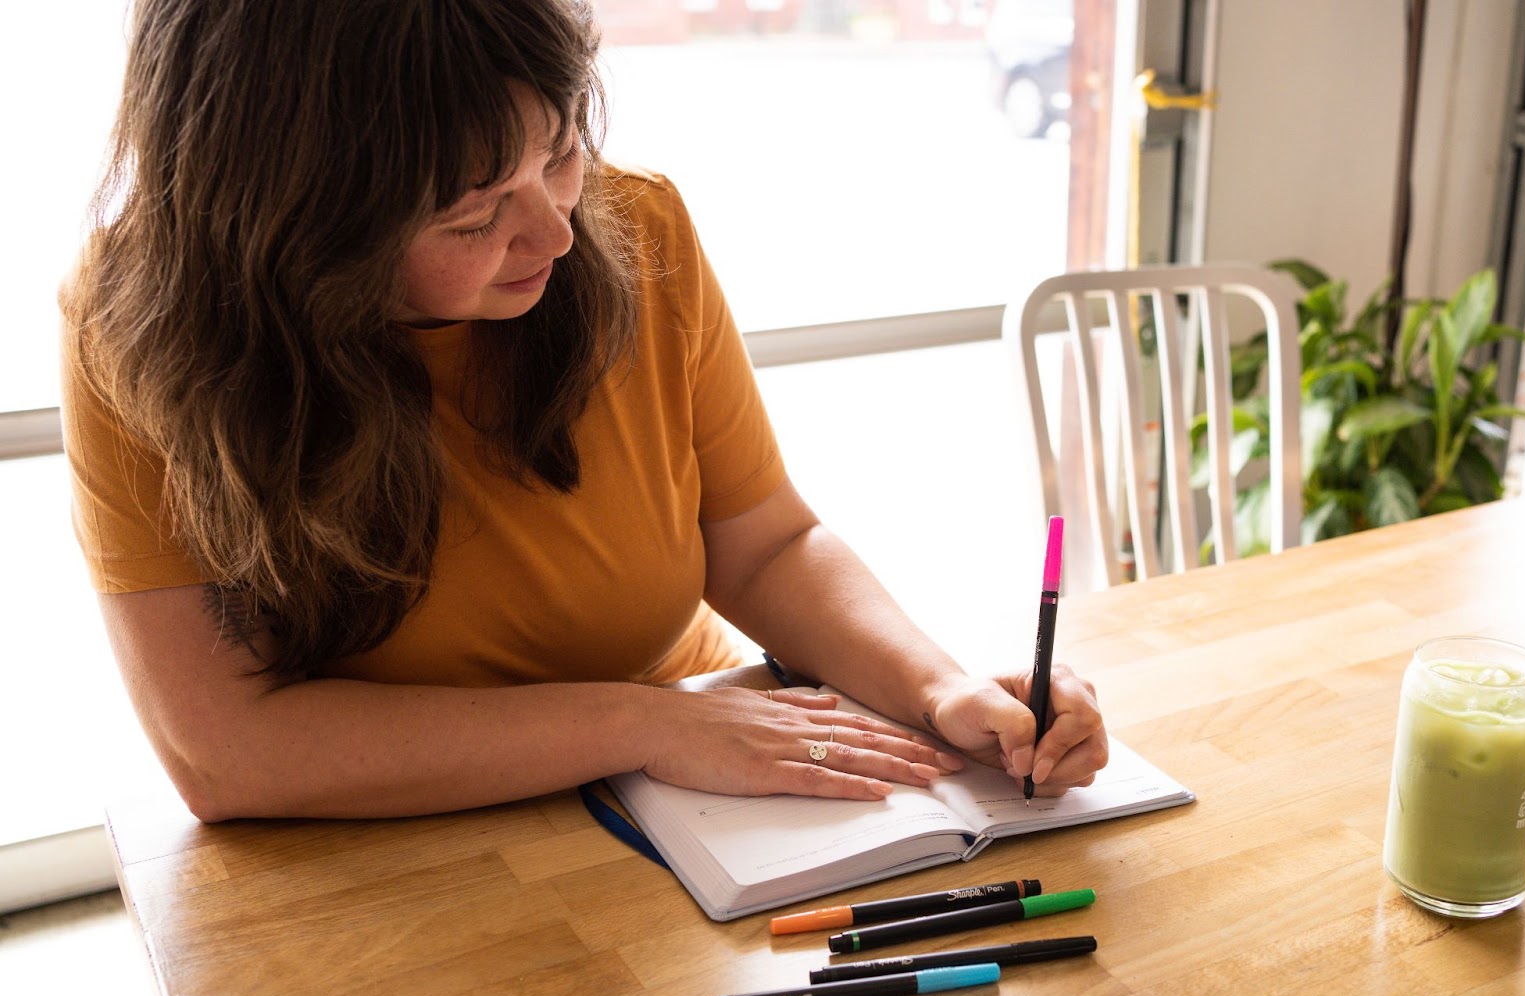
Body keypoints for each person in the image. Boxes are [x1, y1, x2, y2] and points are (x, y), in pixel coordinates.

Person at [60, 0, 1107, 823]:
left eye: (559, 152)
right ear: (297, 221)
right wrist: (632, 722)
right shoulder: (138, 327)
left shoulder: (632, 223)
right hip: (388, 850)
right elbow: (226, 753)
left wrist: (938, 689)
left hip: (696, 785)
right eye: (474, 216)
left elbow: (765, 543)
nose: (556, 236)